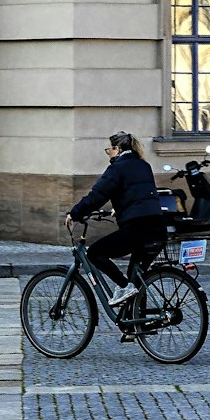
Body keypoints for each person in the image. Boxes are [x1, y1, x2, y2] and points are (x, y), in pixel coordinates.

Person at [65, 132, 166, 326]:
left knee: (95, 253)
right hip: (157, 228)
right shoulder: (143, 165)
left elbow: (97, 195)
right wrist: (118, 210)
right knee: (136, 278)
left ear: (118, 149)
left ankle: (122, 287)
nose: (108, 154)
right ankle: (138, 323)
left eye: (109, 150)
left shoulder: (117, 168)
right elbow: (138, 195)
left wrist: (75, 213)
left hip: (138, 229)